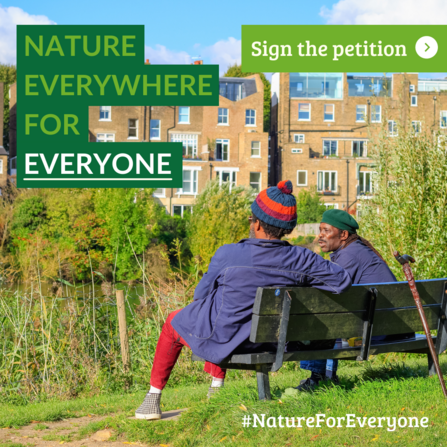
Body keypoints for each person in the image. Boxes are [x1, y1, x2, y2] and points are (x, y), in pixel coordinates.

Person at [135, 180, 352, 420]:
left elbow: (200, 296)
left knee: (174, 321)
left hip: (230, 340)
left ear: (257, 223)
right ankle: (215, 390)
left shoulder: (228, 253)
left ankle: (152, 400)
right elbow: (341, 280)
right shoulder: (302, 258)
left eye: (251, 218)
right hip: (276, 343)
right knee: (224, 312)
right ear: (287, 228)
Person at [296, 208, 413, 391]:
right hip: (393, 325)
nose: (320, 236)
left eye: (327, 231)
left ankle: (318, 378)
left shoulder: (350, 255)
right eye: (320, 230)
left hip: (380, 328)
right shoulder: (356, 250)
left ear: (343, 234)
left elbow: (324, 295)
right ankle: (325, 375)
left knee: (317, 315)